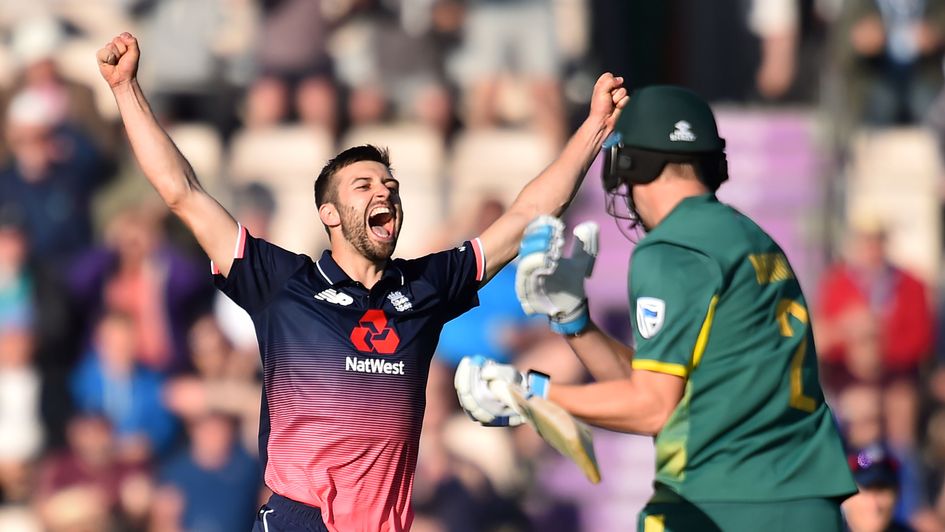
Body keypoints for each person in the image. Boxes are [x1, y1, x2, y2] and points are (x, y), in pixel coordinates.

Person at [95, 32, 627, 532]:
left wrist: (596, 127)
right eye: (364, 184)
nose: (385, 192)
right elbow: (183, 192)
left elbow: (529, 213)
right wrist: (125, 89)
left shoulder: (426, 286)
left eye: (391, 185)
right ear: (328, 213)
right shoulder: (282, 282)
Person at [456, 85, 857, 531]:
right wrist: (574, 323)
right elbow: (671, 390)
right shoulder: (754, 240)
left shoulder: (671, 249)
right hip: (805, 506)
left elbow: (653, 409)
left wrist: (529, 393)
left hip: (724, 504)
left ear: (633, 161)